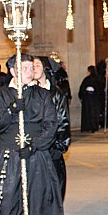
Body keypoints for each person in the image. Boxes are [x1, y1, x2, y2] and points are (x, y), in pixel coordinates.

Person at [0, 53, 65, 215]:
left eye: (31, 68)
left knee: (36, 200)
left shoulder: (43, 94)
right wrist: (12, 110)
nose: (30, 72)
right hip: (10, 155)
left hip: (36, 154)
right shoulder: (0, 94)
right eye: (25, 68)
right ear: (12, 71)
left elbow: (51, 124)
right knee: (8, 201)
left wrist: (35, 145)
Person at [32, 56, 71, 199]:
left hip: (52, 147)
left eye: (37, 65)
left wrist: (60, 147)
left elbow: (63, 121)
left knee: (55, 188)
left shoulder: (56, 93)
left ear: (45, 68)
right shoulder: (28, 92)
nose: (33, 68)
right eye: (32, 65)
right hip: (34, 147)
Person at [78, 66, 103, 133]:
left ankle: (91, 127)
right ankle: (89, 127)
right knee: (89, 113)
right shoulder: (88, 79)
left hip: (92, 98)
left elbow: (99, 89)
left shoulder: (95, 79)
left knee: (92, 113)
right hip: (90, 98)